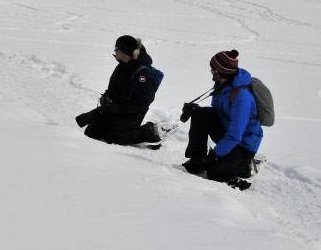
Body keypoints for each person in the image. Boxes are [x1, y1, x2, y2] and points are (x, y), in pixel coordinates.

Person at [181, 50, 263, 182]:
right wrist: (195, 110)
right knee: (200, 114)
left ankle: (246, 166)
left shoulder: (242, 96)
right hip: (229, 132)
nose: (211, 71)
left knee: (215, 174)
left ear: (219, 72)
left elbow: (236, 135)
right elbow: (219, 113)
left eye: (212, 69)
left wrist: (212, 157)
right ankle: (196, 159)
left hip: (244, 143)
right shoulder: (222, 85)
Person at [75, 35, 166, 145]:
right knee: (92, 131)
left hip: (132, 114)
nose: (115, 50)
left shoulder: (143, 74)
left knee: (115, 137)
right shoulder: (122, 66)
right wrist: (106, 96)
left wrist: (120, 108)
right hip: (115, 110)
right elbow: (113, 88)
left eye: (116, 49)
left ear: (125, 52)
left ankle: (149, 132)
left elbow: (143, 102)